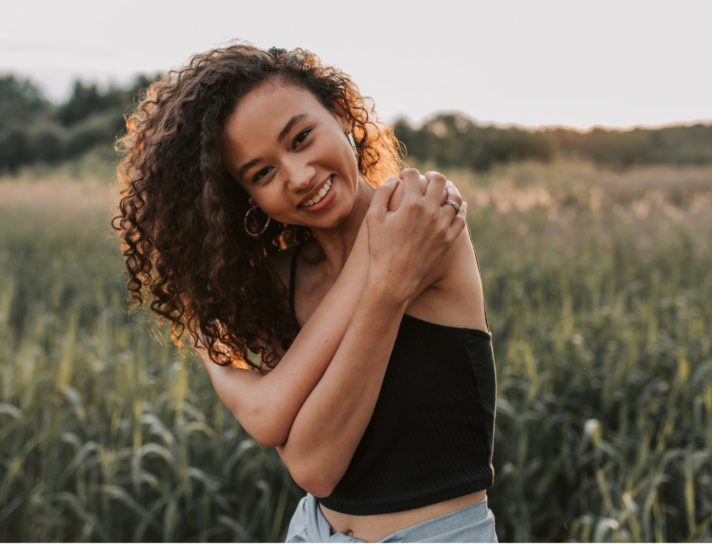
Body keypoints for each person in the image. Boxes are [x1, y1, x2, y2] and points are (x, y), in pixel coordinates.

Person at [114, 43, 497, 544]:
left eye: (300, 138)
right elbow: (298, 450)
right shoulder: (279, 281)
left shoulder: (419, 218)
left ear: (339, 114)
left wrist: (383, 292)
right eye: (262, 173)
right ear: (244, 198)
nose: (298, 176)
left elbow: (315, 466)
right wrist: (380, 281)